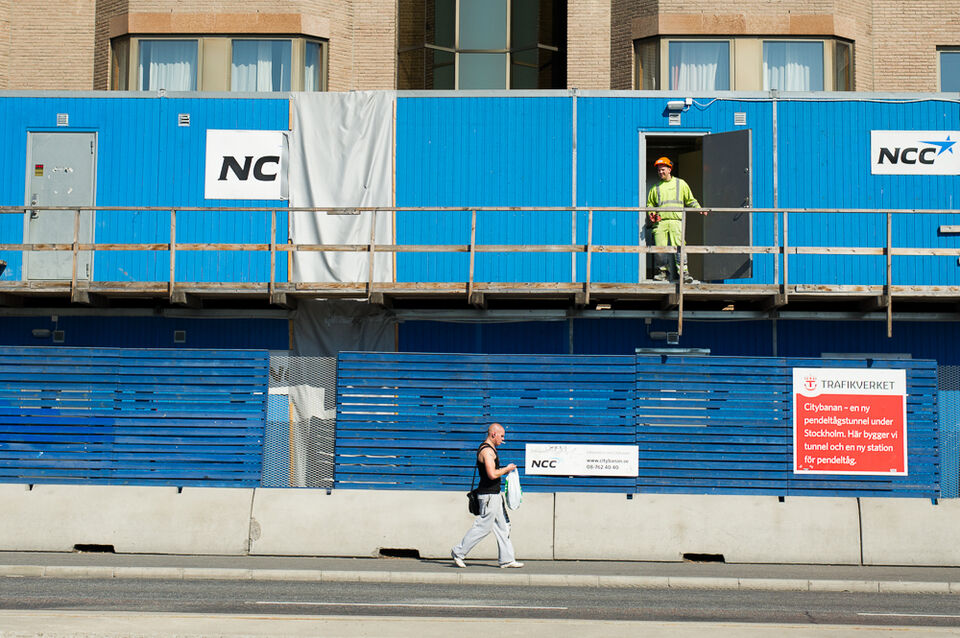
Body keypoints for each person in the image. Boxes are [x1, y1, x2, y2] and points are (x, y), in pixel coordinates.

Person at [451, 422, 524, 569]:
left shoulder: (490, 449)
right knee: (483, 527)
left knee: (503, 527)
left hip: (494, 495)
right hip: (488, 496)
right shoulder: (487, 451)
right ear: (493, 434)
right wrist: (507, 469)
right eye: (501, 436)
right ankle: (458, 552)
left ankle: (507, 560)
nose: (503, 439)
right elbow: (492, 474)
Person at [646, 156, 705, 283]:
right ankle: (663, 272)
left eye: (663, 169)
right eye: (659, 170)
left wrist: (698, 208)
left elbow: (690, 200)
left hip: (676, 221)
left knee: (679, 247)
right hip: (660, 222)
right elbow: (650, 204)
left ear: (669, 169)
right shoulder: (655, 188)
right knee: (660, 248)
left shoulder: (681, 184)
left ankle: (684, 273)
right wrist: (652, 214)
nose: (660, 172)